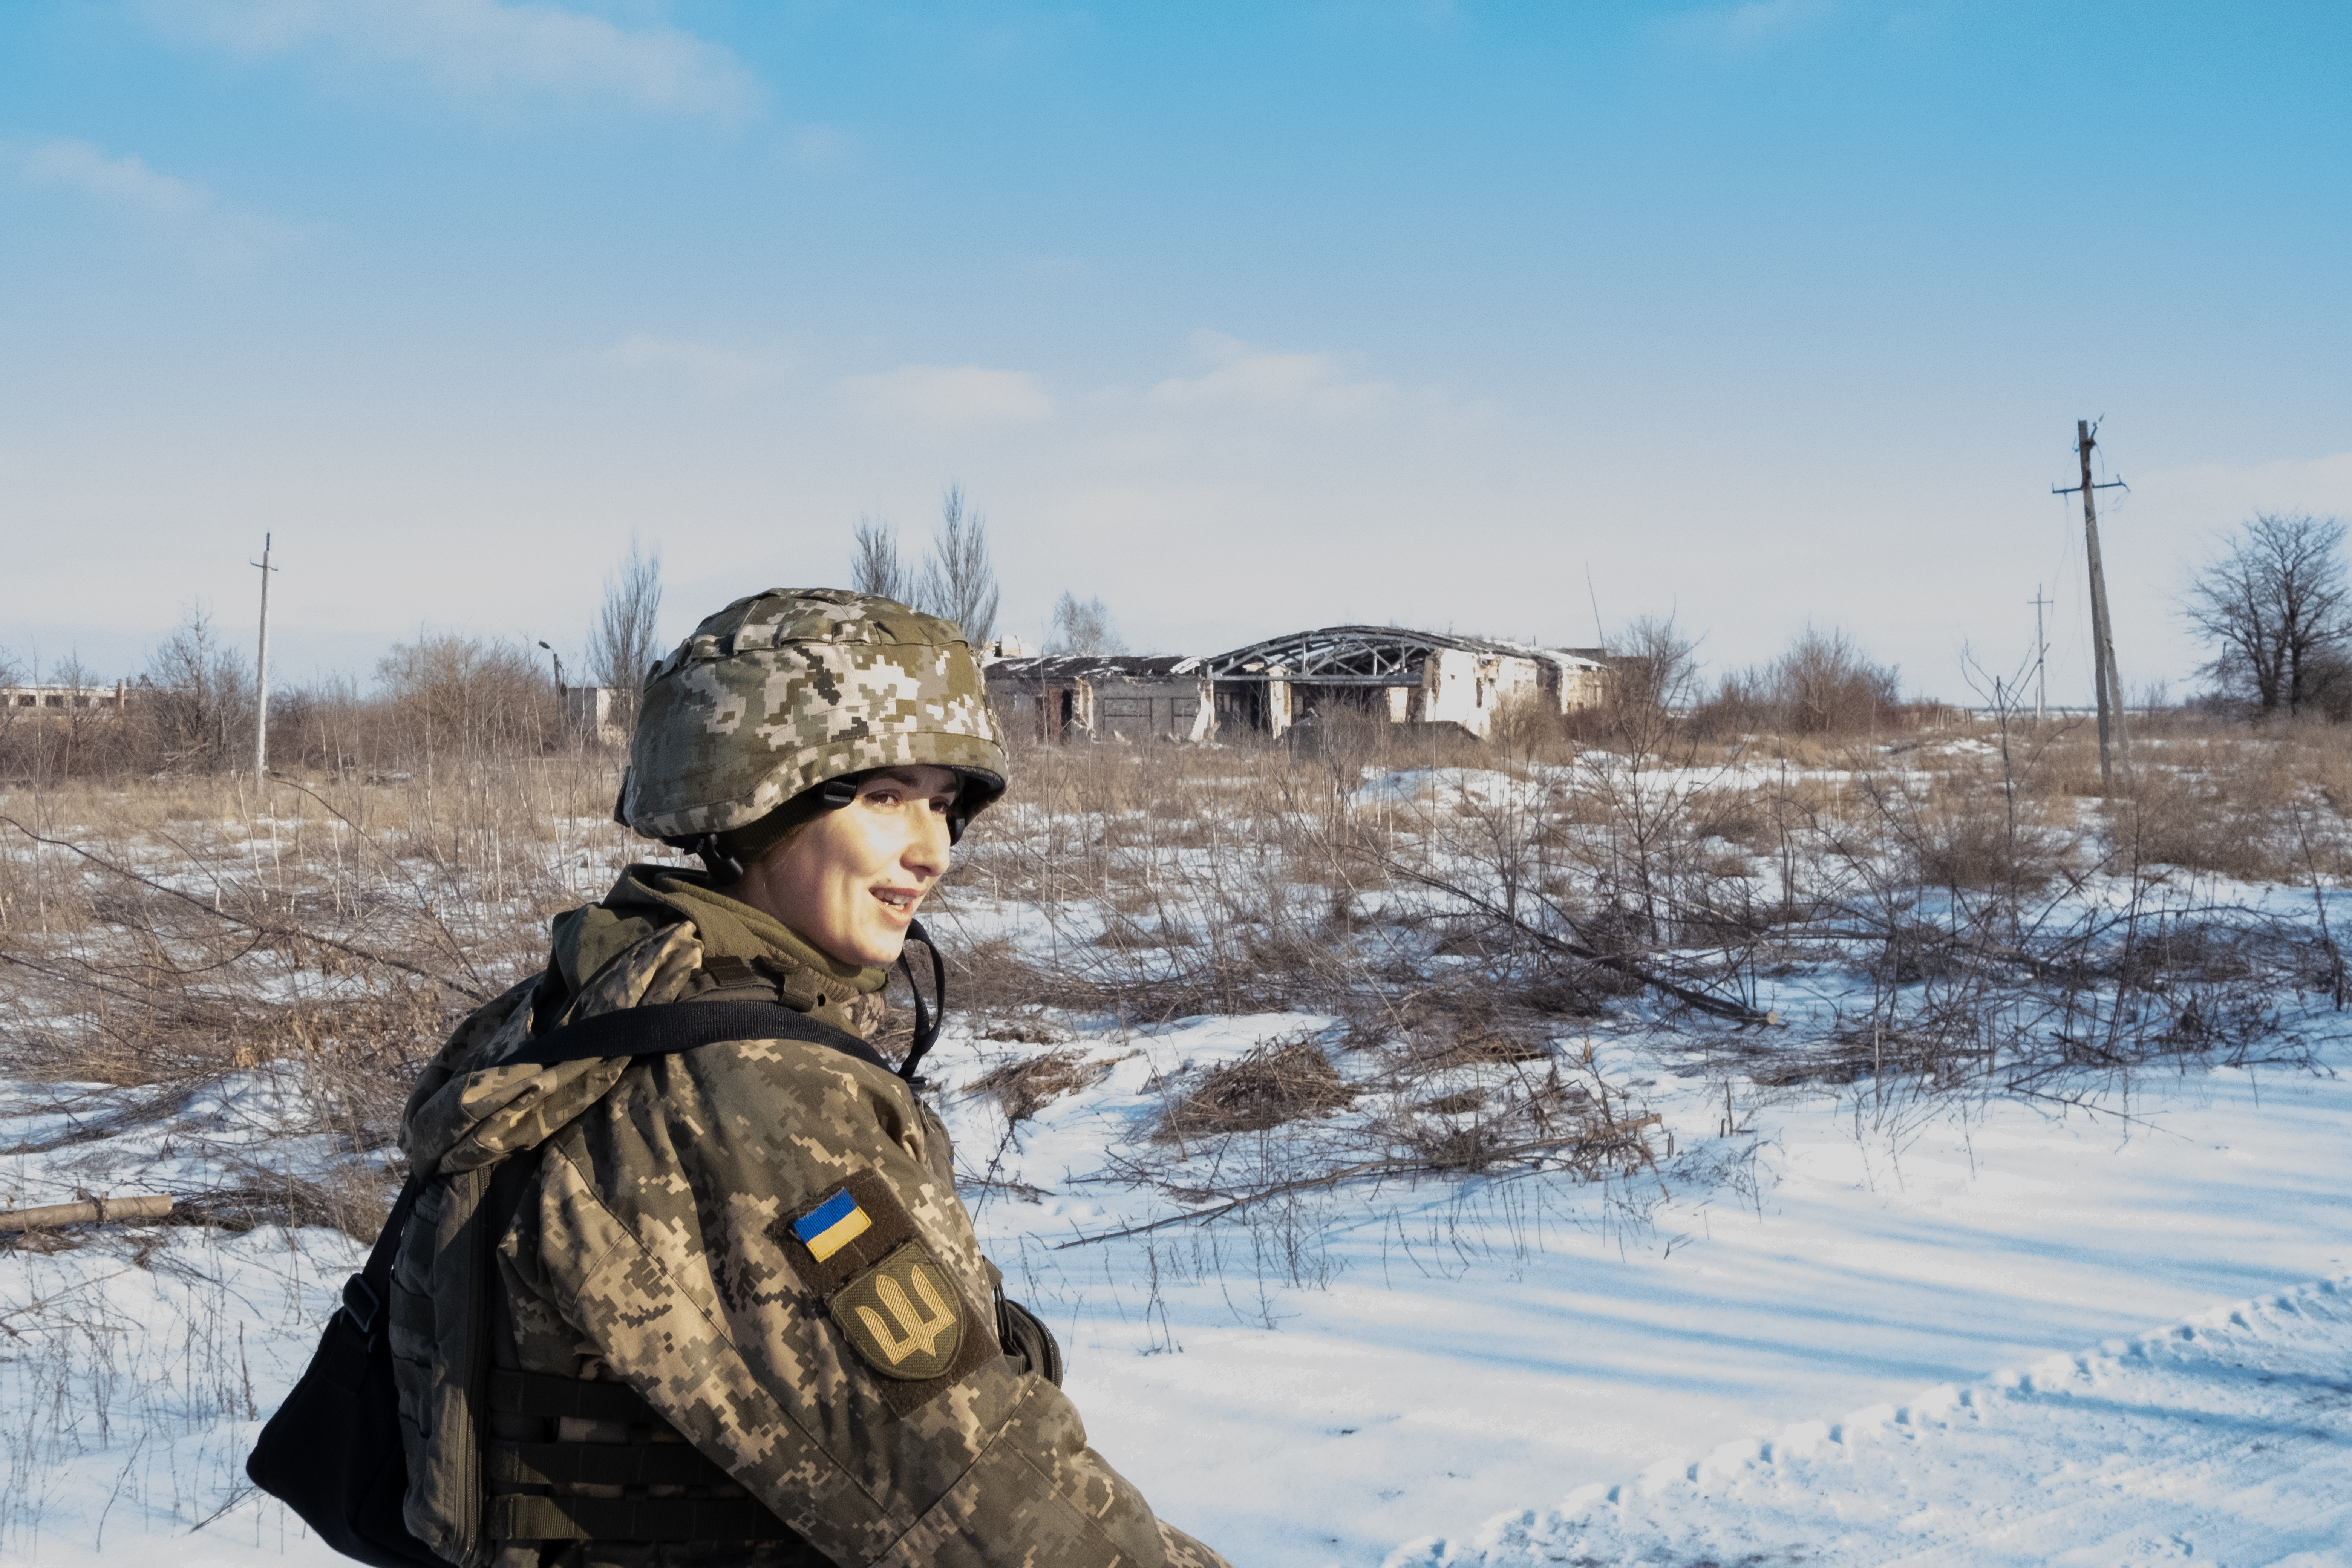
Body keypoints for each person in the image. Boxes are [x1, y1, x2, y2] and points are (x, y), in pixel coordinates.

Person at [392, 589, 1227, 1568]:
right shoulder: (752, 1101)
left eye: (944, 804)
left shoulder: (596, 1001)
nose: (932, 850)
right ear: (753, 796)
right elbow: (986, 1505)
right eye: (881, 797)